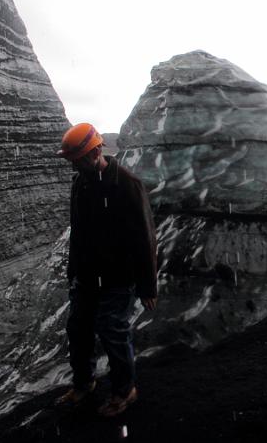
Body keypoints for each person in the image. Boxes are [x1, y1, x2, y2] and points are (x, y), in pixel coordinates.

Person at [54, 123, 158, 417]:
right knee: (78, 329)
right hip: (87, 276)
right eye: (71, 160)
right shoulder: (81, 182)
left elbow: (145, 238)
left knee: (112, 331)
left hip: (117, 278)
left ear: (97, 151)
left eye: (78, 159)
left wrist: (147, 286)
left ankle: (125, 391)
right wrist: (73, 270)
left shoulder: (127, 184)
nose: (74, 165)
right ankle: (84, 384)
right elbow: (80, 231)